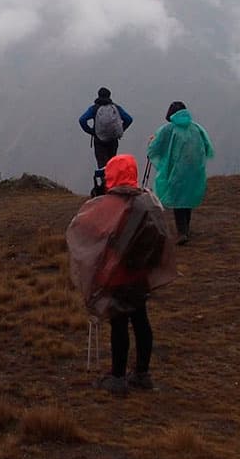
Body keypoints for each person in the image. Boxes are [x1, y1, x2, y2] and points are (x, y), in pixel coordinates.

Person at [65, 154, 177, 395]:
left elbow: (85, 228)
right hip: (141, 275)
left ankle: (117, 377)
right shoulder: (148, 201)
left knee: (119, 323)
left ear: (111, 175)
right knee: (141, 321)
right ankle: (142, 373)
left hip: (118, 275)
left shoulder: (112, 205)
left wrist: (96, 201)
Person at [145, 100, 213, 244]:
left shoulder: (168, 129)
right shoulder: (196, 128)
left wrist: (151, 142)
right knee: (187, 197)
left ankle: (182, 232)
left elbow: (155, 148)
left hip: (177, 171)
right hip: (194, 169)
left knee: (177, 199)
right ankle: (185, 229)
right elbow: (207, 148)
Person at [77, 87, 135, 196]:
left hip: (99, 141)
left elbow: (82, 120)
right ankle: (114, 188)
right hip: (113, 140)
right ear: (109, 95)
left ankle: (105, 189)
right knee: (113, 163)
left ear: (98, 95)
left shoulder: (94, 109)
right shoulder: (115, 108)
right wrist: (121, 130)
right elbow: (129, 119)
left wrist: (91, 131)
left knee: (102, 165)